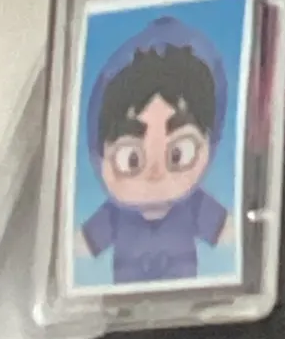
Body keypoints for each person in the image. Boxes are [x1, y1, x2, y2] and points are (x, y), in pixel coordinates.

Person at [79, 16, 232, 284]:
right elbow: (80, 246)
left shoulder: (195, 206)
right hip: (126, 300)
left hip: (185, 297)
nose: (155, 174)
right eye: (131, 159)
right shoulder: (114, 215)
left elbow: (231, 233)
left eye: (178, 154)